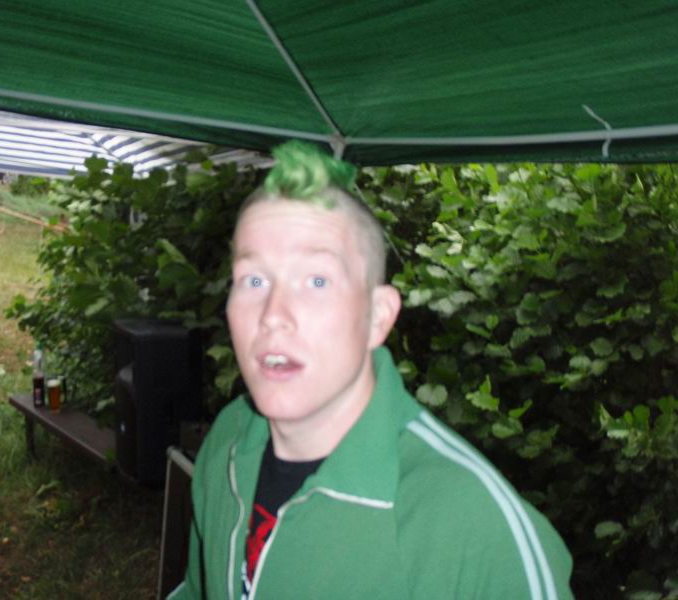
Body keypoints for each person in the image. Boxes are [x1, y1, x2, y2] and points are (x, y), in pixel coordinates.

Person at [169, 141, 573, 599]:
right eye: (254, 280)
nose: (273, 315)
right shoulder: (227, 443)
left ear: (378, 317)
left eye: (316, 280)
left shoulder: (475, 527)